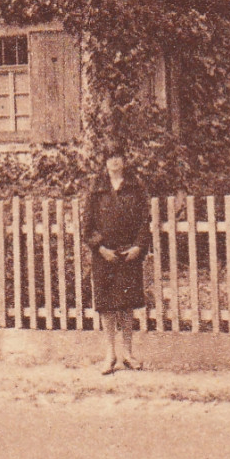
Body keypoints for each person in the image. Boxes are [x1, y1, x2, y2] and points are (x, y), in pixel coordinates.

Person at [83, 153, 150, 374]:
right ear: (104, 161)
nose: (114, 161)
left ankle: (128, 354)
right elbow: (88, 227)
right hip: (105, 256)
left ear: (124, 161)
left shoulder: (135, 187)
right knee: (107, 307)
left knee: (127, 306)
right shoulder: (96, 189)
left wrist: (138, 247)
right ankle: (110, 355)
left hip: (128, 254)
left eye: (118, 157)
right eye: (110, 157)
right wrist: (101, 249)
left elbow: (143, 221)